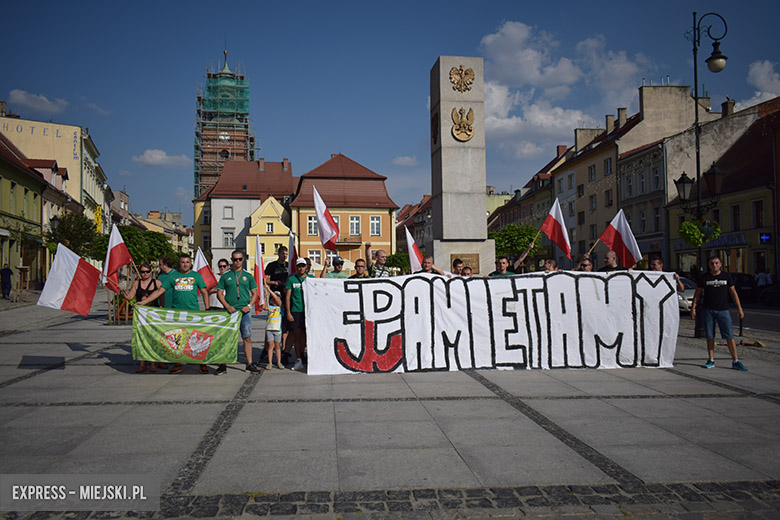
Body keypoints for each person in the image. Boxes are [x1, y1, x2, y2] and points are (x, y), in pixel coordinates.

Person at [138, 254, 210, 373]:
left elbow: (204, 292)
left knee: (196, 338)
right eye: (182, 262)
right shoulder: (173, 277)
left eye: (187, 262)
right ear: (179, 263)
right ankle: (178, 363)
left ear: (190, 263)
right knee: (178, 339)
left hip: (193, 313)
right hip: (177, 313)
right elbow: (160, 291)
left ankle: (201, 363)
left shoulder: (196, 276)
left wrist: (207, 309)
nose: (185, 264)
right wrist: (144, 302)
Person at [691, 256, 747, 371]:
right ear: (709, 265)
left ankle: (735, 360)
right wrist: (693, 308)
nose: (714, 265)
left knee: (729, 336)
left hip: (723, 310)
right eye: (712, 263)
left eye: (716, 263)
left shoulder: (726, 276)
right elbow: (697, 294)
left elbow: (733, 293)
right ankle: (711, 360)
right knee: (710, 336)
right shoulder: (704, 278)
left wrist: (739, 308)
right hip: (708, 310)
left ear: (721, 264)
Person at [215, 250, 260, 374]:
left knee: (247, 337)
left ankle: (249, 363)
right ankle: (223, 365)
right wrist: (227, 306)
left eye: (240, 259)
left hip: (244, 312)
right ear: (232, 260)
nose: (237, 261)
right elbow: (219, 294)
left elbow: (255, 293)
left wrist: (249, 306)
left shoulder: (248, 276)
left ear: (243, 260)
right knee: (226, 338)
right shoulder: (225, 276)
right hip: (230, 312)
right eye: (235, 259)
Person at [122, 263, 167, 373]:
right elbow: (130, 297)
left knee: (153, 339)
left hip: (153, 315)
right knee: (141, 339)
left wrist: (161, 309)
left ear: (151, 271)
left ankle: (153, 363)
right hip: (141, 316)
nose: (145, 274)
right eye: (142, 272)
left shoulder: (157, 283)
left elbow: (162, 297)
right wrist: (122, 290)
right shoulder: (137, 283)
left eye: (147, 271)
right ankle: (142, 363)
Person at [285, 257, 311, 371]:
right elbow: (287, 297)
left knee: (305, 336)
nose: (301, 268)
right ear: (297, 267)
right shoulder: (291, 280)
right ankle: (299, 359)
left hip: (308, 312)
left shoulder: (311, 279)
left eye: (303, 266)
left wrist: (325, 266)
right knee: (297, 336)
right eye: (299, 266)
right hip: (296, 311)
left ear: (306, 267)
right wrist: (288, 312)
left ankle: (305, 355)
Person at [263, 279, 285, 370]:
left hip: (277, 330)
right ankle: (270, 362)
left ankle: (279, 362)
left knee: (277, 347)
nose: (275, 299)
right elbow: (264, 307)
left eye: (277, 298)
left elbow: (278, 300)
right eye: (273, 299)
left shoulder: (280, 308)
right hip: (269, 329)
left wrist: (269, 290)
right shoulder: (270, 307)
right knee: (270, 346)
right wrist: (265, 296)